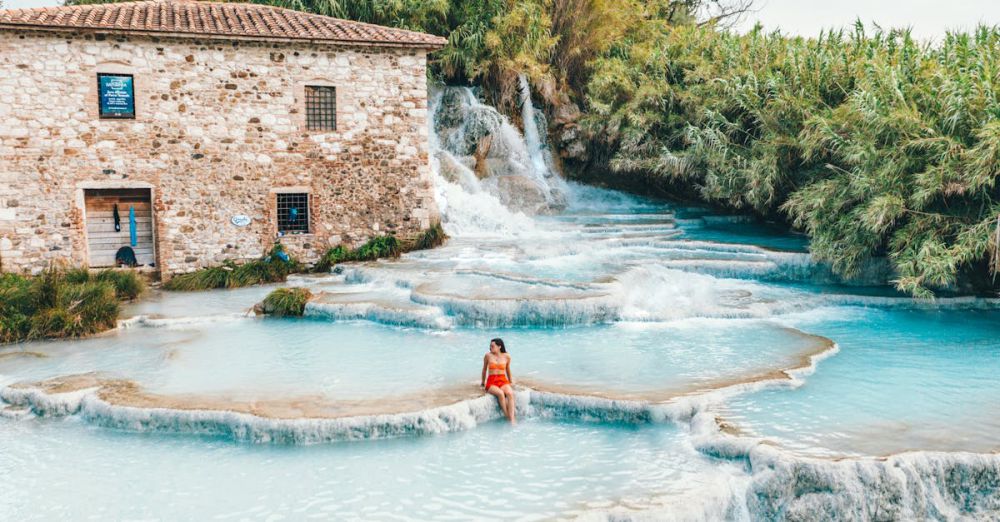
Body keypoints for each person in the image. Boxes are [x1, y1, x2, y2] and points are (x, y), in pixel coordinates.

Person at [481, 337, 516, 424]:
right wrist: (482, 382)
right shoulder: (488, 356)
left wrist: (510, 381)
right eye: (490, 346)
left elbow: (508, 369)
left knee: (510, 394)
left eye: (492, 346)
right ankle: (506, 415)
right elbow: (484, 369)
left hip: (503, 380)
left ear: (499, 346)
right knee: (500, 394)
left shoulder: (507, 356)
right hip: (492, 381)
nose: (490, 347)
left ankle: (512, 419)